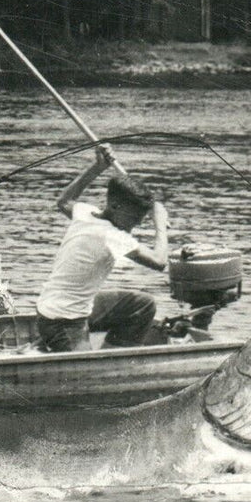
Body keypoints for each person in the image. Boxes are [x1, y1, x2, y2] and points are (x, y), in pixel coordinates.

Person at [35, 145, 170, 353]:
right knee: (83, 373)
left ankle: (112, 353)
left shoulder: (87, 213)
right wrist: (160, 222)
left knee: (143, 305)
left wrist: (97, 167)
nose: (136, 225)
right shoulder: (112, 236)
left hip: (56, 309)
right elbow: (160, 262)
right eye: (134, 219)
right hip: (63, 321)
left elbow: (64, 201)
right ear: (115, 206)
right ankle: (99, 359)